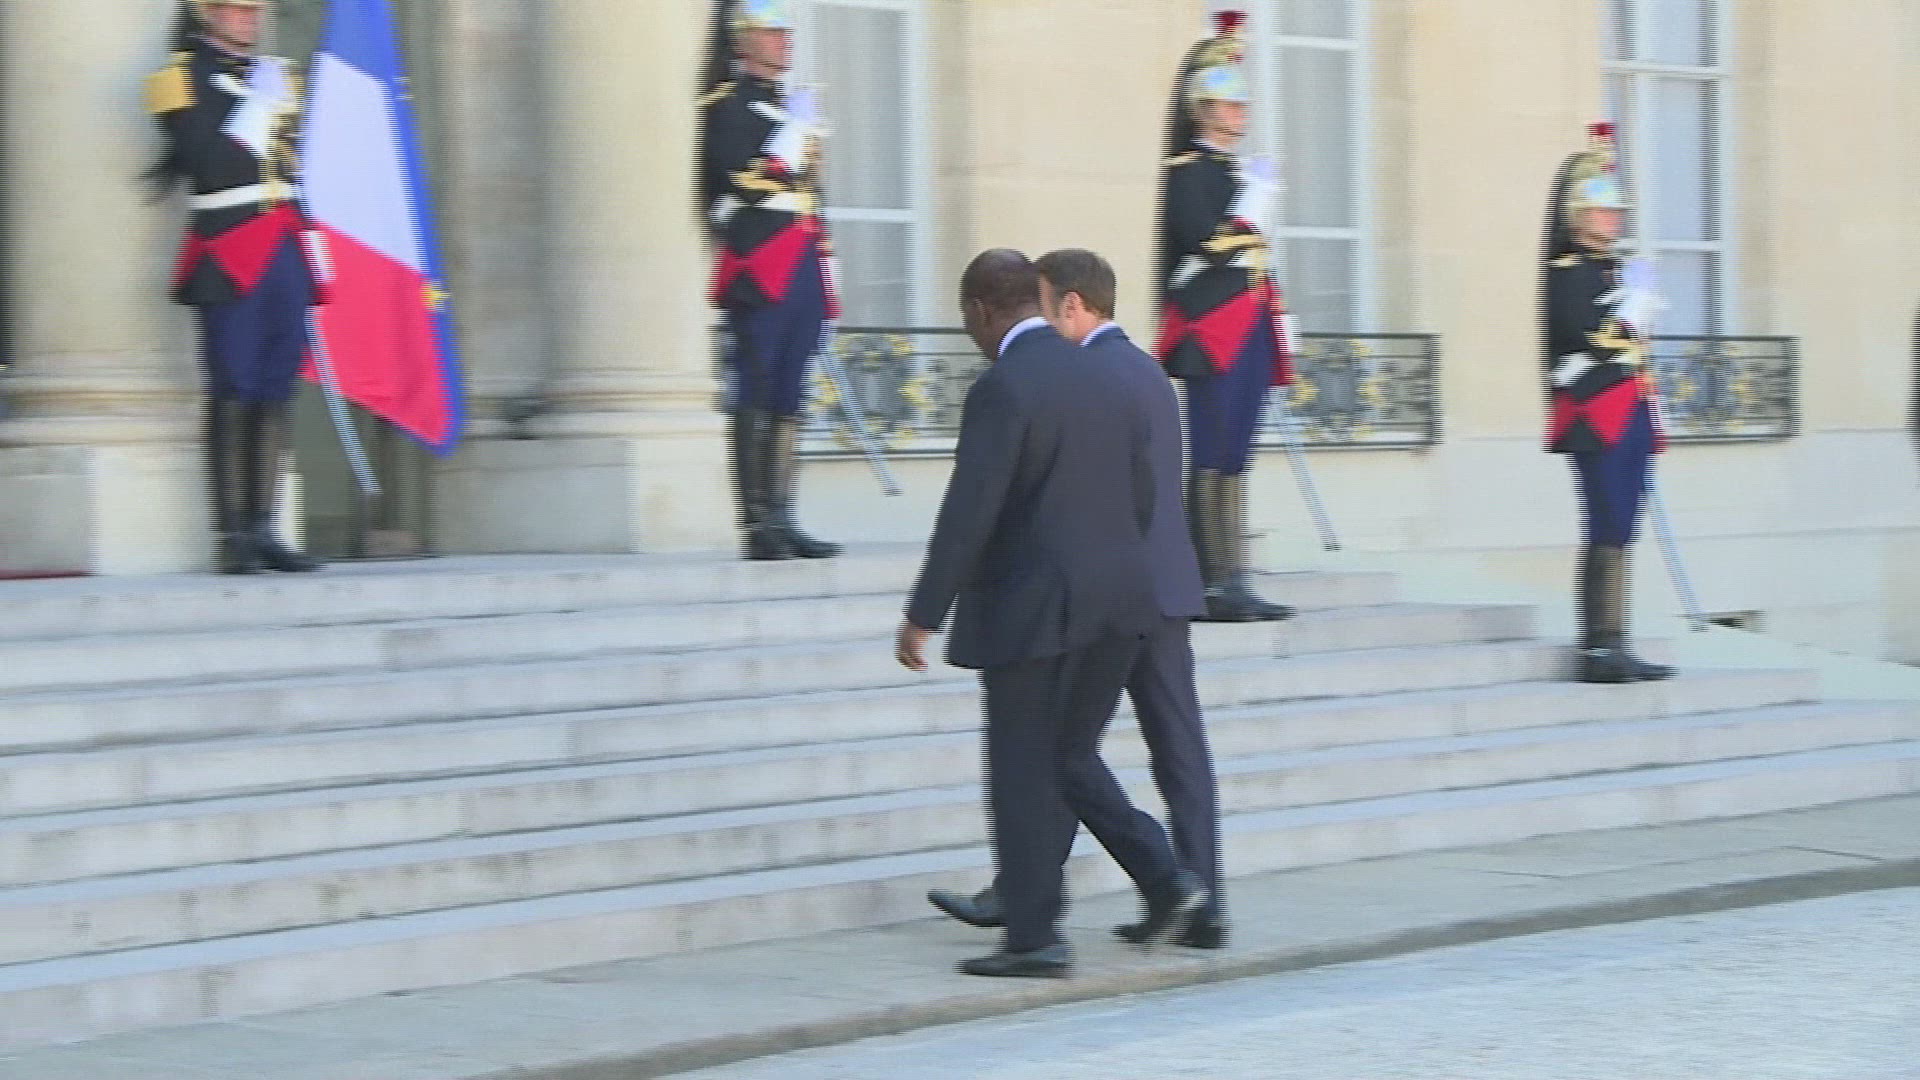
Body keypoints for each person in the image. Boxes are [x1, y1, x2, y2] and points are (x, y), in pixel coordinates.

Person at [897, 249, 1207, 978]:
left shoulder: (1003, 387)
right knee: (1067, 756)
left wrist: (924, 612)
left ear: (979, 311)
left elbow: (970, 512)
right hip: (1122, 602)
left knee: (1021, 768)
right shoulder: (1107, 375)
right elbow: (1142, 494)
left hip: (1034, 610)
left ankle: (1034, 937)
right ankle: (1167, 881)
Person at [147, 0, 321, 574]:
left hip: (285, 242)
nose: (246, 17)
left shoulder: (277, 77)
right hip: (228, 245)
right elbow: (209, 164)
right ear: (206, 14)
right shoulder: (177, 79)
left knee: (276, 388)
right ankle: (233, 536)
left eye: (253, 10)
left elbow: (297, 165)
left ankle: (265, 527)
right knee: (234, 385)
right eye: (233, 8)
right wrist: (257, 110)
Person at [1155, 10, 1294, 623]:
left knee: (1236, 453)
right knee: (1213, 450)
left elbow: (1249, 256)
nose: (1241, 113)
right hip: (1211, 328)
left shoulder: (1231, 172)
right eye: (1229, 104)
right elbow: (1207, 244)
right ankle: (1211, 581)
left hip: (1249, 322)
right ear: (1202, 109)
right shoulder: (1189, 172)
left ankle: (1232, 575)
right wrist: (1254, 205)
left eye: (1241, 104)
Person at [698, 0, 841, 561]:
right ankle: (757, 524)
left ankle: (783, 516)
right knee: (756, 387)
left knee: (789, 391)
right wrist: (789, 140)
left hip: (802, 256)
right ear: (743, 40)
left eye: (786, 30)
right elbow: (740, 180)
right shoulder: (726, 105)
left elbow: (811, 191)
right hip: (758, 261)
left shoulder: (788, 106)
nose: (785, 39)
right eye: (772, 30)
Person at [1541, 123, 1676, 684]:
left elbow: (1632, 339)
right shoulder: (1569, 272)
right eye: (1601, 211)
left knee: (1622, 525)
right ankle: (1598, 647)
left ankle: (1615, 640)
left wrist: (1635, 308)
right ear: (1578, 215)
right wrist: (1630, 315)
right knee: (1606, 522)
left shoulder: (1610, 270)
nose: (1612, 218)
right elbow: (1587, 334)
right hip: (1596, 413)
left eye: (1616, 211)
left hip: (1630, 406)